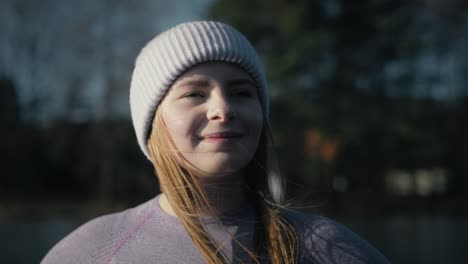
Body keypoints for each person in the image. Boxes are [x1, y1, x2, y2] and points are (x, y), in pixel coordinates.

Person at [42, 21, 390, 264]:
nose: (223, 109)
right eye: (194, 93)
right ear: (153, 123)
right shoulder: (92, 253)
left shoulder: (335, 250)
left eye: (241, 92)